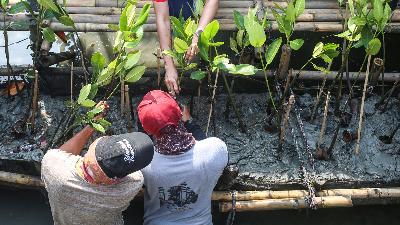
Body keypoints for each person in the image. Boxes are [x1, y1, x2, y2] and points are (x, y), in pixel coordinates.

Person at [41, 102, 154, 225]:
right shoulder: (133, 183)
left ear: (92, 148)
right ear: (114, 180)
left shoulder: (51, 166)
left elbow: (61, 154)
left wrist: (92, 124)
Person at [137, 90, 228, 225]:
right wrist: (190, 123)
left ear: (147, 131)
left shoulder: (144, 162)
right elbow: (202, 146)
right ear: (181, 114)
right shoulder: (215, 149)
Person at [153, 0, 219, 96]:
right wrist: (169, 66)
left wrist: (197, 36)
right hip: (174, 10)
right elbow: (162, 19)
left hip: (200, 10)